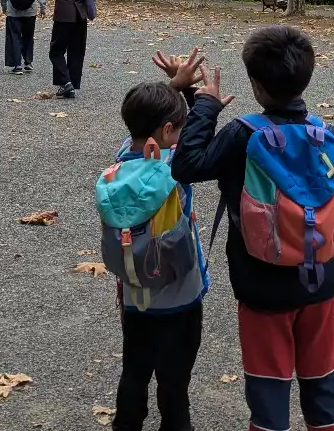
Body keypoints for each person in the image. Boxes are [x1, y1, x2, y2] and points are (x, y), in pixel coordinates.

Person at [170, 25, 334, 431]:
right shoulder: (328, 136)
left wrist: (205, 105)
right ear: (307, 77)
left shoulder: (243, 134)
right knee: (323, 390)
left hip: (260, 285)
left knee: (268, 394)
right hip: (320, 282)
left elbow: (187, 165)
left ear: (255, 85)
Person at [99, 57, 212, 431]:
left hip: (136, 297)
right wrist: (200, 99)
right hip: (180, 297)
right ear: (167, 132)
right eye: (175, 131)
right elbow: (197, 139)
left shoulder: (118, 165)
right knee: (174, 385)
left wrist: (172, 90)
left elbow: (146, 132)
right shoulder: (175, 167)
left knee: (134, 372)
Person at [48, 0, 102, 99]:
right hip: (80, 15)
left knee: (56, 51)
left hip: (63, 14)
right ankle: (72, 83)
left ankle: (65, 83)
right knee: (76, 51)